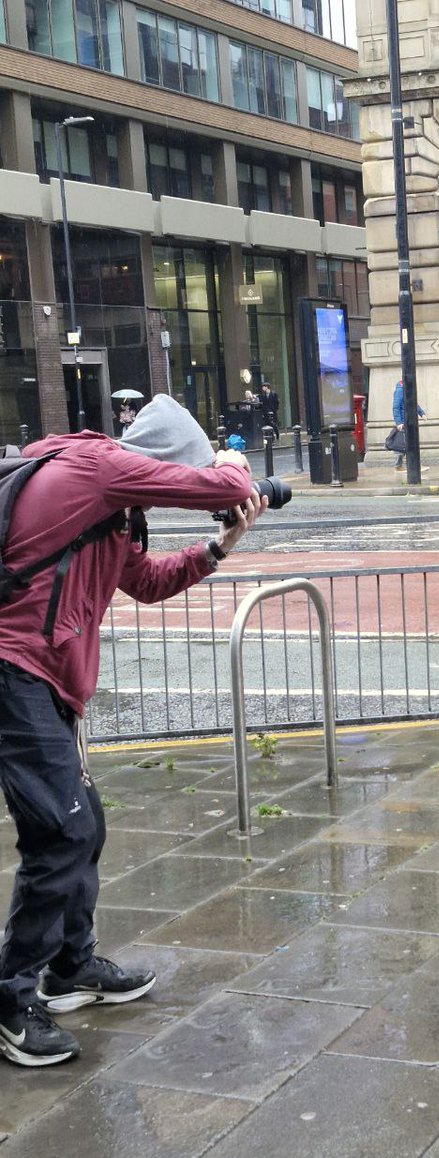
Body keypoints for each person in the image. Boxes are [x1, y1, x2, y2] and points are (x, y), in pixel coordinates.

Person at [0, 393, 265, 1068]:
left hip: (48, 679)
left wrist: (216, 547)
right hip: (13, 670)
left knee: (80, 823)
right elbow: (227, 482)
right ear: (163, 462)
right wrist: (232, 464)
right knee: (65, 830)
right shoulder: (98, 469)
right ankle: (10, 997)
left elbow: (145, 583)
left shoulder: (109, 512)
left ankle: (71, 967)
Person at [391, 378, 427, 472]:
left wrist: (421, 413)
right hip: (404, 422)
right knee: (402, 446)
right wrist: (399, 422)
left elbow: (414, 403)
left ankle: (412, 465)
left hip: (410, 421)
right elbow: (396, 407)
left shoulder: (408, 389)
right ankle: (399, 466)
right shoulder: (400, 390)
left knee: (411, 444)